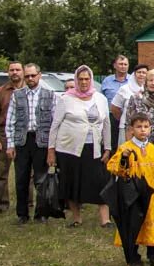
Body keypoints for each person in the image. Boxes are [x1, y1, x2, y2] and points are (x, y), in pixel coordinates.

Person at [48, 66, 112, 227]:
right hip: (69, 148)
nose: (84, 82)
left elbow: (106, 124)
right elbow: (55, 125)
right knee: (71, 182)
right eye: (81, 79)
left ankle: (105, 220)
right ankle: (76, 218)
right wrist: (51, 150)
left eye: (87, 78)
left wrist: (108, 148)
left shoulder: (100, 98)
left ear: (91, 80)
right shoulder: (66, 99)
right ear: (76, 80)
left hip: (94, 147)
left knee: (100, 181)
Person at [105, 113, 154, 266]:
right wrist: (124, 159)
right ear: (132, 129)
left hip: (151, 195)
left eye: (146, 127)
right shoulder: (126, 148)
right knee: (133, 224)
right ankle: (133, 255)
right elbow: (114, 168)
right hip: (132, 195)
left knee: (151, 223)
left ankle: (153, 254)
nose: (143, 130)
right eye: (139, 127)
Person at [6, 64, 57, 224]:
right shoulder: (17, 95)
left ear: (39, 75)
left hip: (42, 141)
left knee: (41, 179)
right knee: (21, 178)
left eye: (33, 75)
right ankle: (22, 214)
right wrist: (10, 144)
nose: (30, 79)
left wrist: (52, 147)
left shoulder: (50, 95)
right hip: (22, 140)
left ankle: (41, 213)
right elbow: (10, 121)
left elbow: (55, 123)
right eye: (27, 76)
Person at [123, 70, 154, 182]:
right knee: (140, 176)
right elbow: (128, 124)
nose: (153, 83)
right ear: (145, 82)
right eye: (150, 80)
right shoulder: (136, 98)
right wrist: (129, 145)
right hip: (138, 143)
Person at [0, 61, 23, 214]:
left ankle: (27, 202)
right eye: (12, 70)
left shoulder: (29, 90)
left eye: (17, 69)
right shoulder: (0, 92)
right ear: (8, 72)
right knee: (1, 172)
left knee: (26, 172)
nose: (15, 72)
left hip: (23, 133)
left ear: (22, 72)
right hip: (3, 134)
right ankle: (1, 204)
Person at [111, 63, 147, 145]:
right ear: (134, 74)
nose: (141, 74)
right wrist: (125, 118)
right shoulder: (124, 89)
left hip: (144, 129)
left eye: (144, 72)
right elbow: (114, 108)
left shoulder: (150, 90)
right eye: (139, 72)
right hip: (126, 128)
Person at [101, 54, 132, 150]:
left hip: (128, 118)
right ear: (115, 65)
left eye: (125, 64)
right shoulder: (107, 81)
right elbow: (102, 99)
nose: (123, 66)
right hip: (111, 117)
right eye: (121, 64)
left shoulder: (132, 80)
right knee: (112, 143)